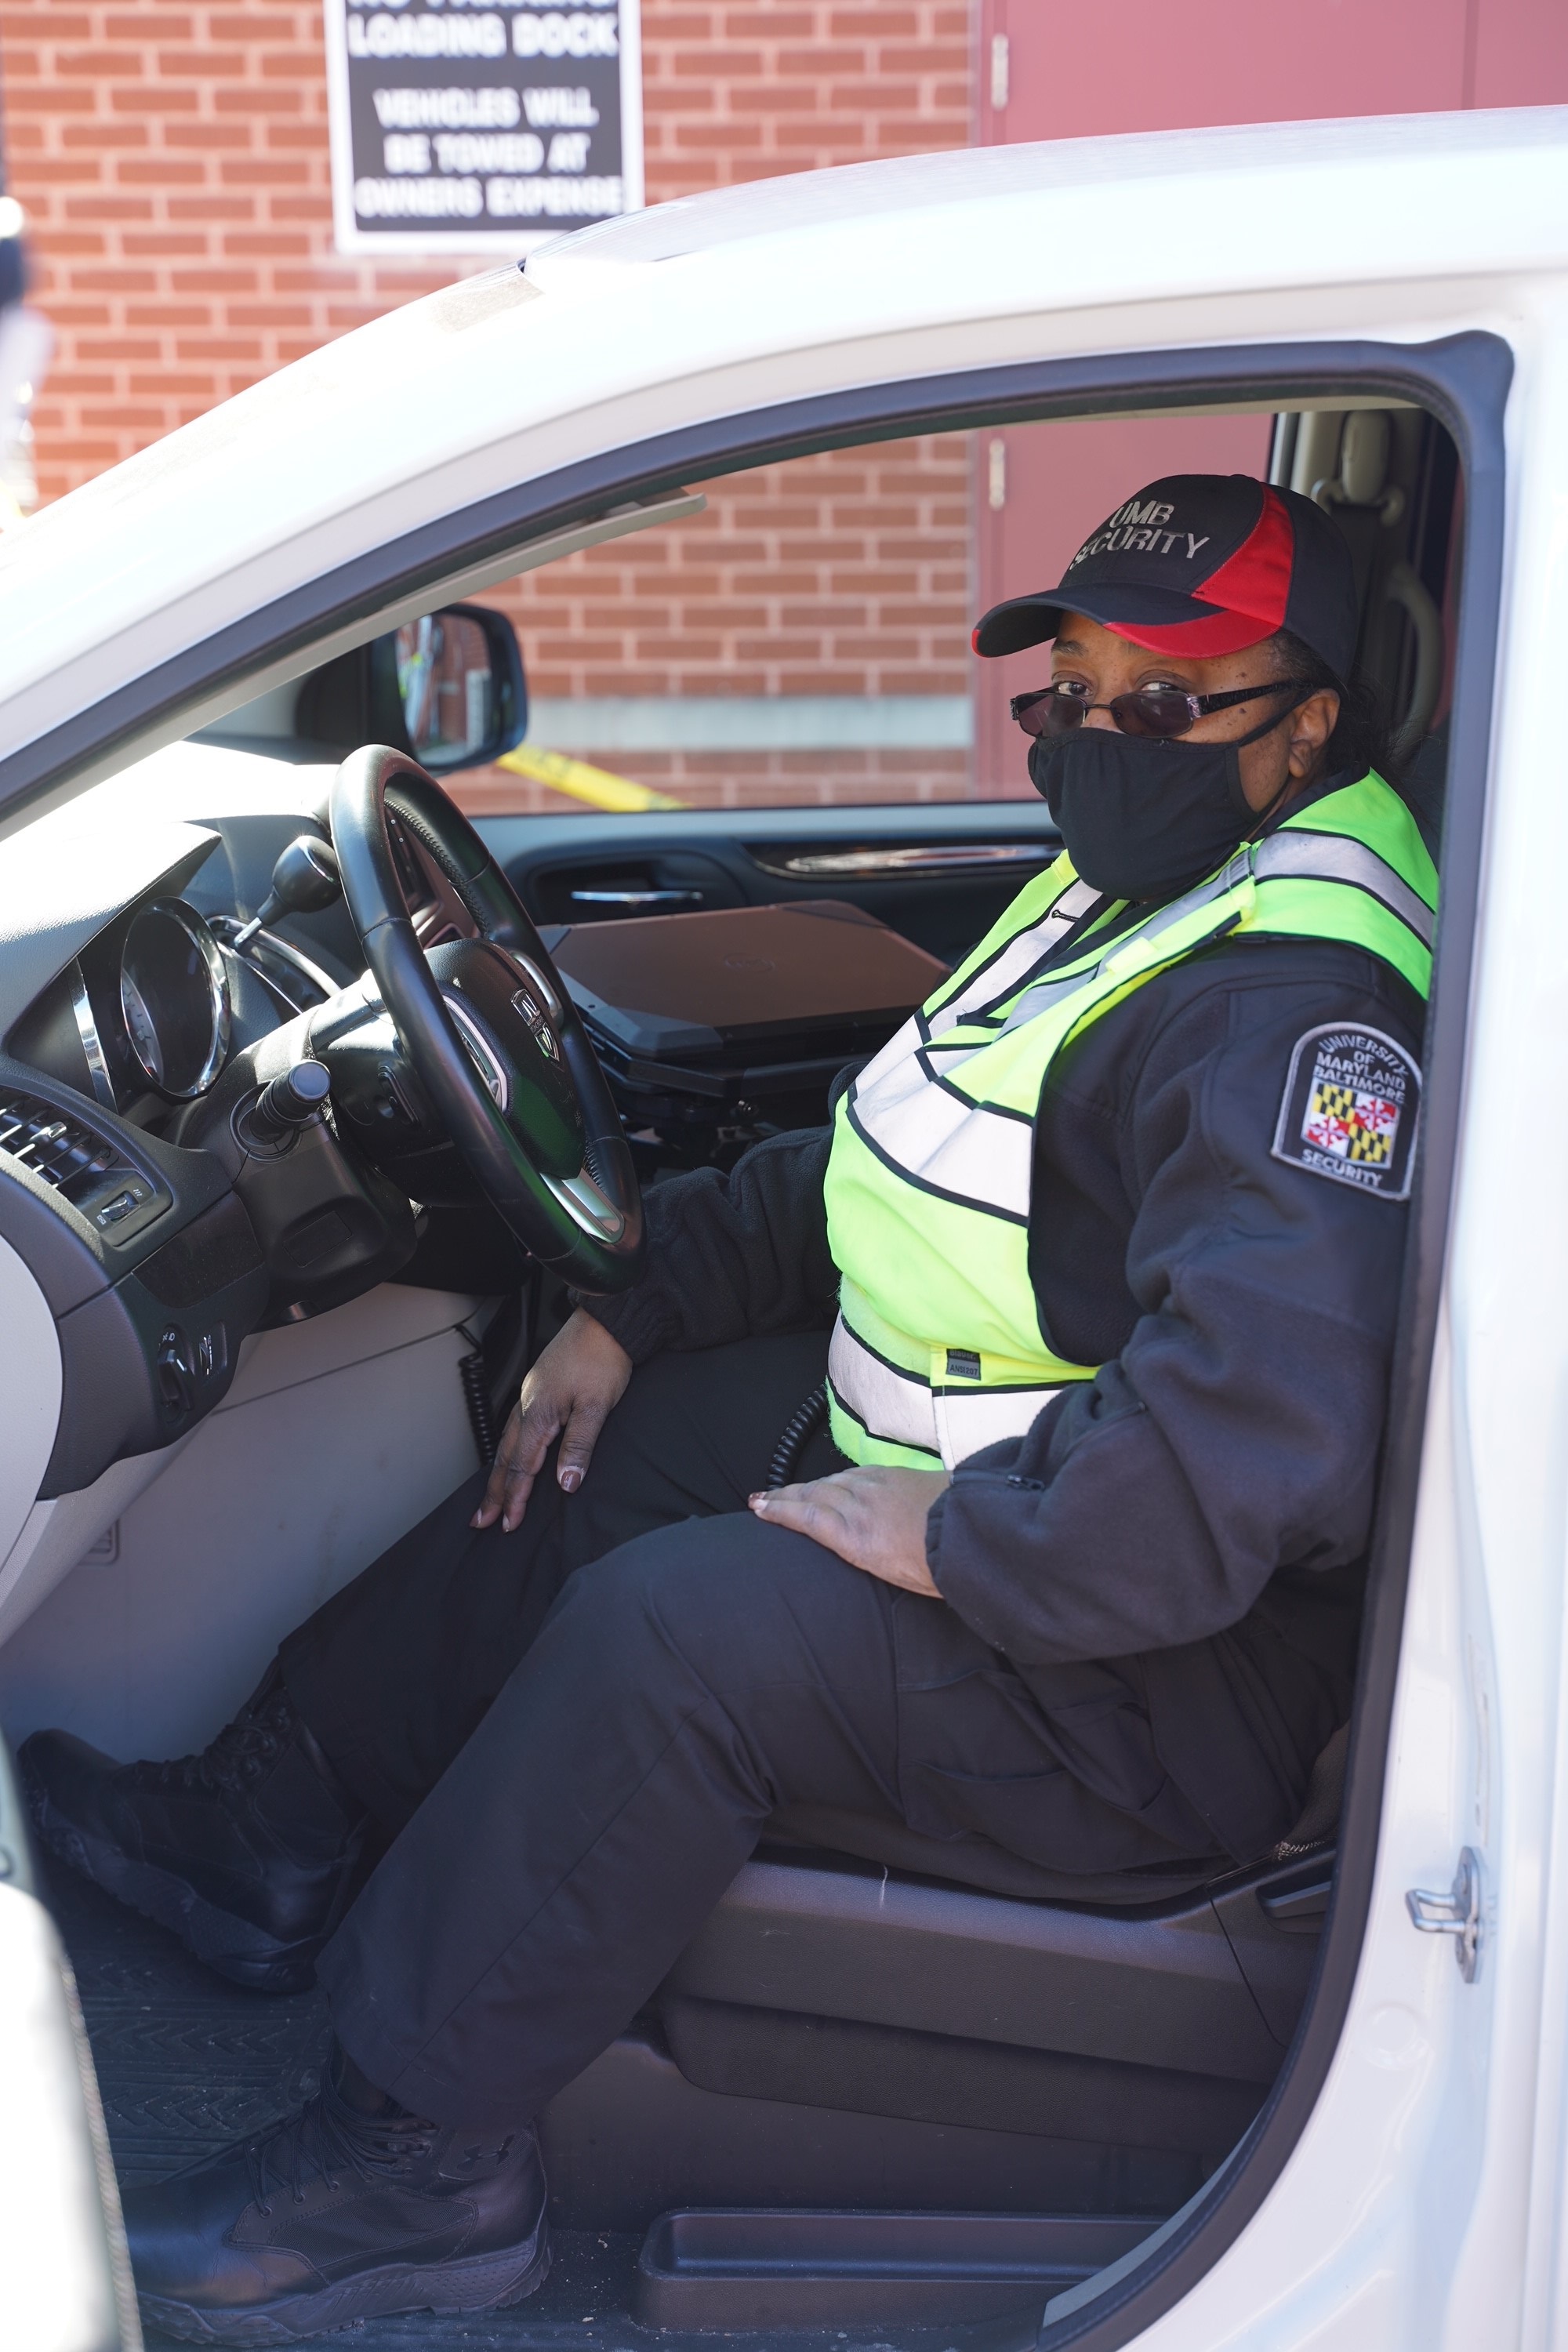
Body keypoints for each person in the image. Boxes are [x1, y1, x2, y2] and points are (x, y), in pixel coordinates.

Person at [23, 473, 1438, 2344]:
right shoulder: (1137, 889)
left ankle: (415, 2167)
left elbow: (1234, 1454)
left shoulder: (1294, 1004)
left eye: (1165, 705)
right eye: (1068, 699)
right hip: (1049, 1500)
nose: (1100, 743)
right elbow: (891, 1156)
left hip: (1164, 1667)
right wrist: (633, 1302)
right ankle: (260, 1836)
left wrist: (952, 1533)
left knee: (681, 1627)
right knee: (611, 1443)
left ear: (1312, 720)